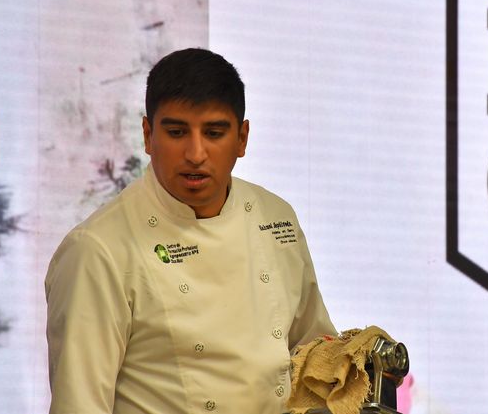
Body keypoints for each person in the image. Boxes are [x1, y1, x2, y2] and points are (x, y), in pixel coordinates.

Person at [45, 48, 335, 414]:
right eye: (177, 132)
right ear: (148, 136)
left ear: (242, 139)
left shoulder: (275, 217)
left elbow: (313, 358)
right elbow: (80, 405)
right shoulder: (97, 249)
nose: (196, 153)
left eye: (214, 132)